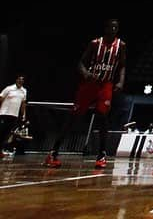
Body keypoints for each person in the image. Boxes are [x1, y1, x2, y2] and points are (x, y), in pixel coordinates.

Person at [45, 18, 127, 169]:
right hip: (89, 85)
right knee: (74, 117)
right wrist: (86, 73)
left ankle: (101, 155)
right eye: (111, 27)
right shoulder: (95, 43)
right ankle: (53, 152)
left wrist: (121, 81)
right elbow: (80, 63)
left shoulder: (121, 46)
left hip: (106, 85)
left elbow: (122, 66)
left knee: (103, 118)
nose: (114, 30)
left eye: (116, 27)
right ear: (106, 28)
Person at [0, 74, 27, 156]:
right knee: (1, 131)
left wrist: (23, 114)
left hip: (14, 115)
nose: (20, 81)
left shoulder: (24, 91)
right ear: (16, 80)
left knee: (7, 134)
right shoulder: (9, 88)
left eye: (22, 80)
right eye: (19, 79)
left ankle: (0, 150)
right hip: (4, 113)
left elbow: (23, 103)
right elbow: (1, 99)